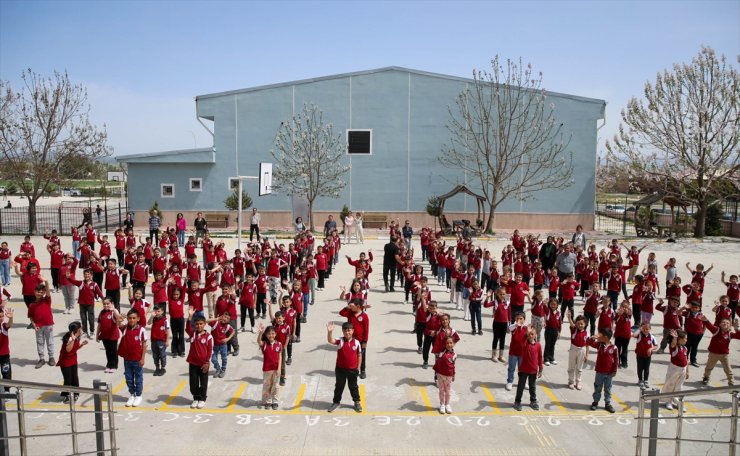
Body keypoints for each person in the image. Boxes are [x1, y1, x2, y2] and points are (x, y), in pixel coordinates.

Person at [326, 321, 362, 413]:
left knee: (353, 386)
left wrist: (358, 368)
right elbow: (331, 340)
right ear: (342, 331)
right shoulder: (340, 341)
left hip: (353, 370)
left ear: (353, 331)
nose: (347, 332)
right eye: (345, 331)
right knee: (339, 386)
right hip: (340, 369)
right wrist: (330, 332)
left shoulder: (357, 343)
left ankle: (357, 402)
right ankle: (336, 402)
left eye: (349, 330)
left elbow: (359, 355)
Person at [186, 308, 214, 409]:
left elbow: (210, 351)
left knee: (203, 383)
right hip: (193, 363)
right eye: (197, 324)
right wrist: (189, 316)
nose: (199, 326)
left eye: (201, 324)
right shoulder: (193, 334)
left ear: (204, 324)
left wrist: (207, 363)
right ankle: (195, 398)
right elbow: (188, 328)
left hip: (203, 364)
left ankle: (202, 399)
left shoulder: (208, 337)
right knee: (193, 383)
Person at [118, 309, 146, 407]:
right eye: (130, 318)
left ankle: (138, 395)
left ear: (138, 319)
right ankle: (132, 394)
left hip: (137, 359)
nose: (131, 320)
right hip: (127, 359)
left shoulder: (141, 330)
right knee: (129, 378)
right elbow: (118, 324)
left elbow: (144, 345)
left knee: (138, 378)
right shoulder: (125, 328)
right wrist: (119, 319)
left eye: (134, 318)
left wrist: (142, 358)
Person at [588, 328, 618, 413]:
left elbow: (616, 360)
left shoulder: (614, 347)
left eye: (600, 335)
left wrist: (614, 370)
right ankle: (595, 402)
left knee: (608, 388)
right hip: (600, 372)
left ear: (605, 337)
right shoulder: (599, 345)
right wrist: (592, 338)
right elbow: (590, 343)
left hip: (609, 373)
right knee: (598, 387)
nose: (598, 336)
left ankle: (607, 403)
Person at [513, 327, 543, 411]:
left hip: (533, 371)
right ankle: (517, 401)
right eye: (529, 334)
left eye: (532, 334)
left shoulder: (538, 345)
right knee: (521, 386)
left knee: (532, 387)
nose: (530, 336)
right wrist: (526, 333)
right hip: (523, 370)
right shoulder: (525, 344)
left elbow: (540, 358)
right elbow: (522, 339)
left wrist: (540, 368)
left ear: (535, 335)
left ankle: (533, 401)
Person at [57, 321, 88, 403]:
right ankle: (67, 395)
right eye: (81, 328)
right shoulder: (70, 338)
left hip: (73, 359)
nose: (82, 329)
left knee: (74, 377)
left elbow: (74, 349)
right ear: (77, 330)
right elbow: (68, 349)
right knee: (68, 379)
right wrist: (73, 340)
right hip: (65, 362)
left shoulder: (77, 336)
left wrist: (81, 345)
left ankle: (76, 393)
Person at [661, 329, 689, 411]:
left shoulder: (685, 348)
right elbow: (673, 343)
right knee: (670, 385)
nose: (686, 340)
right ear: (679, 339)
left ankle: (678, 402)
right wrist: (674, 338)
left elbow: (687, 360)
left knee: (679, 387)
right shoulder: (674, 348)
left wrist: (687, 371)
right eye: (685, 338)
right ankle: (668, 401)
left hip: (682, 370)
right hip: (674, 369)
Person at [29, 284, 55, 368]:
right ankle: (41, 358)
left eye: (42, 292)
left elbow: (48, 291)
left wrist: (46, 282)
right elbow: (31, 317)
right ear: (34, 292)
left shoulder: (47, 300)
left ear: (44, 293)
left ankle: (51, 357)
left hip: (48, 325)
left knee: (50, 341)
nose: (39, 293)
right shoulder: (32, 305)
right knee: (40, 342)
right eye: (38, 292)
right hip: (38, 326)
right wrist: (34, 325)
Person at [257, 323, 282, 410]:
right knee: (267, 385)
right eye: (269, 334)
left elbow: (280, 357)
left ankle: (275, 401)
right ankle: (267, 401)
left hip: (275, 369)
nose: (271, 335)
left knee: (275, 386)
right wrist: (260, 333)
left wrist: (279, 369)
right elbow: (259, 341)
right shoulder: (264, 344)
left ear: (275, 334)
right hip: (267, 369)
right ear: (266, 335)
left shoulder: (279, 344)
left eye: (272, 333)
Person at [96, 298, 122, 373]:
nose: (106, 305)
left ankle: (114, 366)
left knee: (113, 351)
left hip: (113, 336)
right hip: (104, 336)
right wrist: (97, 335)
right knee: (107, 351)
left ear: (112, 303)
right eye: (104, 304)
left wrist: (113, 310)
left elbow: (119, 318)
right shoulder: (101, 313)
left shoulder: (114, 311)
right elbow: (99, 325)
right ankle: (109, 364)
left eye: (108, 304)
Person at [433, 336, 457, 414]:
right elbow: (437, 362)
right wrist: (436, 373)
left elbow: (453, 365)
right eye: (447, 343)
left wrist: (453, 375)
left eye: (451, 343)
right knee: (441, 390)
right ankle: (442, 404)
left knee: (448, 391)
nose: (449, 344)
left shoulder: (454, 355)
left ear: (453, 344)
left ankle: (447, 404)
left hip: (448, 376)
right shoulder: (441, 353)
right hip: (440, 375)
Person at [149, 305, 170, 376]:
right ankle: (157, 368)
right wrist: (152, 316)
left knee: (162, 355)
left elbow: (167, 330)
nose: (157, 313)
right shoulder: (154, 319)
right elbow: (148, 323)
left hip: (161, 341)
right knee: (155, 355)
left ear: (162, 312)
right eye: (155, 311)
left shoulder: (165, 320)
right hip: (154, 340)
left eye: (158, 311)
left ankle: (163, 368)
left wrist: (167, 340)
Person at [0, 307, 14, 388]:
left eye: (2, 316)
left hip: (4, 355)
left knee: (6, 373)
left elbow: (9, 324)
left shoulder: (3, 326)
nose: (1, 318)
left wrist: (11, 318)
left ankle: (7, 390)